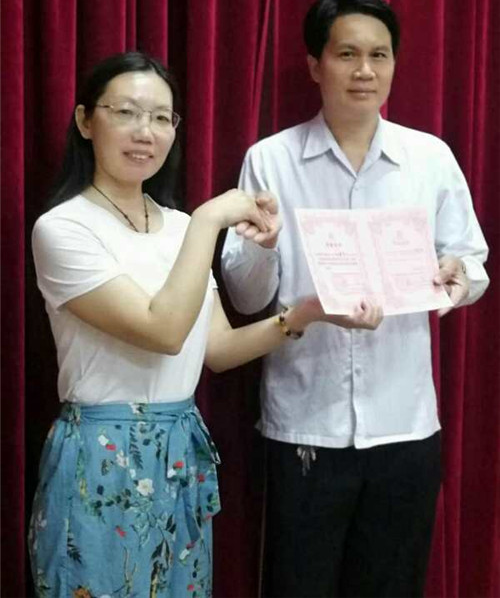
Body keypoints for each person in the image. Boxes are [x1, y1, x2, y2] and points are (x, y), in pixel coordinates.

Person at [28, 51, 383, 598]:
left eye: (160, 117)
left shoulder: (179, 226)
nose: (145, 132)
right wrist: (210, 220)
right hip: (101, 455)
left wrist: (307, 313)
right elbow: (164, 331)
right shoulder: (63, 228)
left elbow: (217, 348)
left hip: (179, 452)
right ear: (85, 121)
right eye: (126, 112)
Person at [221, 0, 490, 598]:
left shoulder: (429, 158)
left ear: (394, 63)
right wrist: (265, 247)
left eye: (379, 55)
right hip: (305, 425)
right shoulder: (271, 160)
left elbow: (473, 264)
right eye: (347, 54)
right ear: (315, 65)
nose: (365, 70)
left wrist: (457, 276)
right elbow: (245, 297)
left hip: (405, 425)